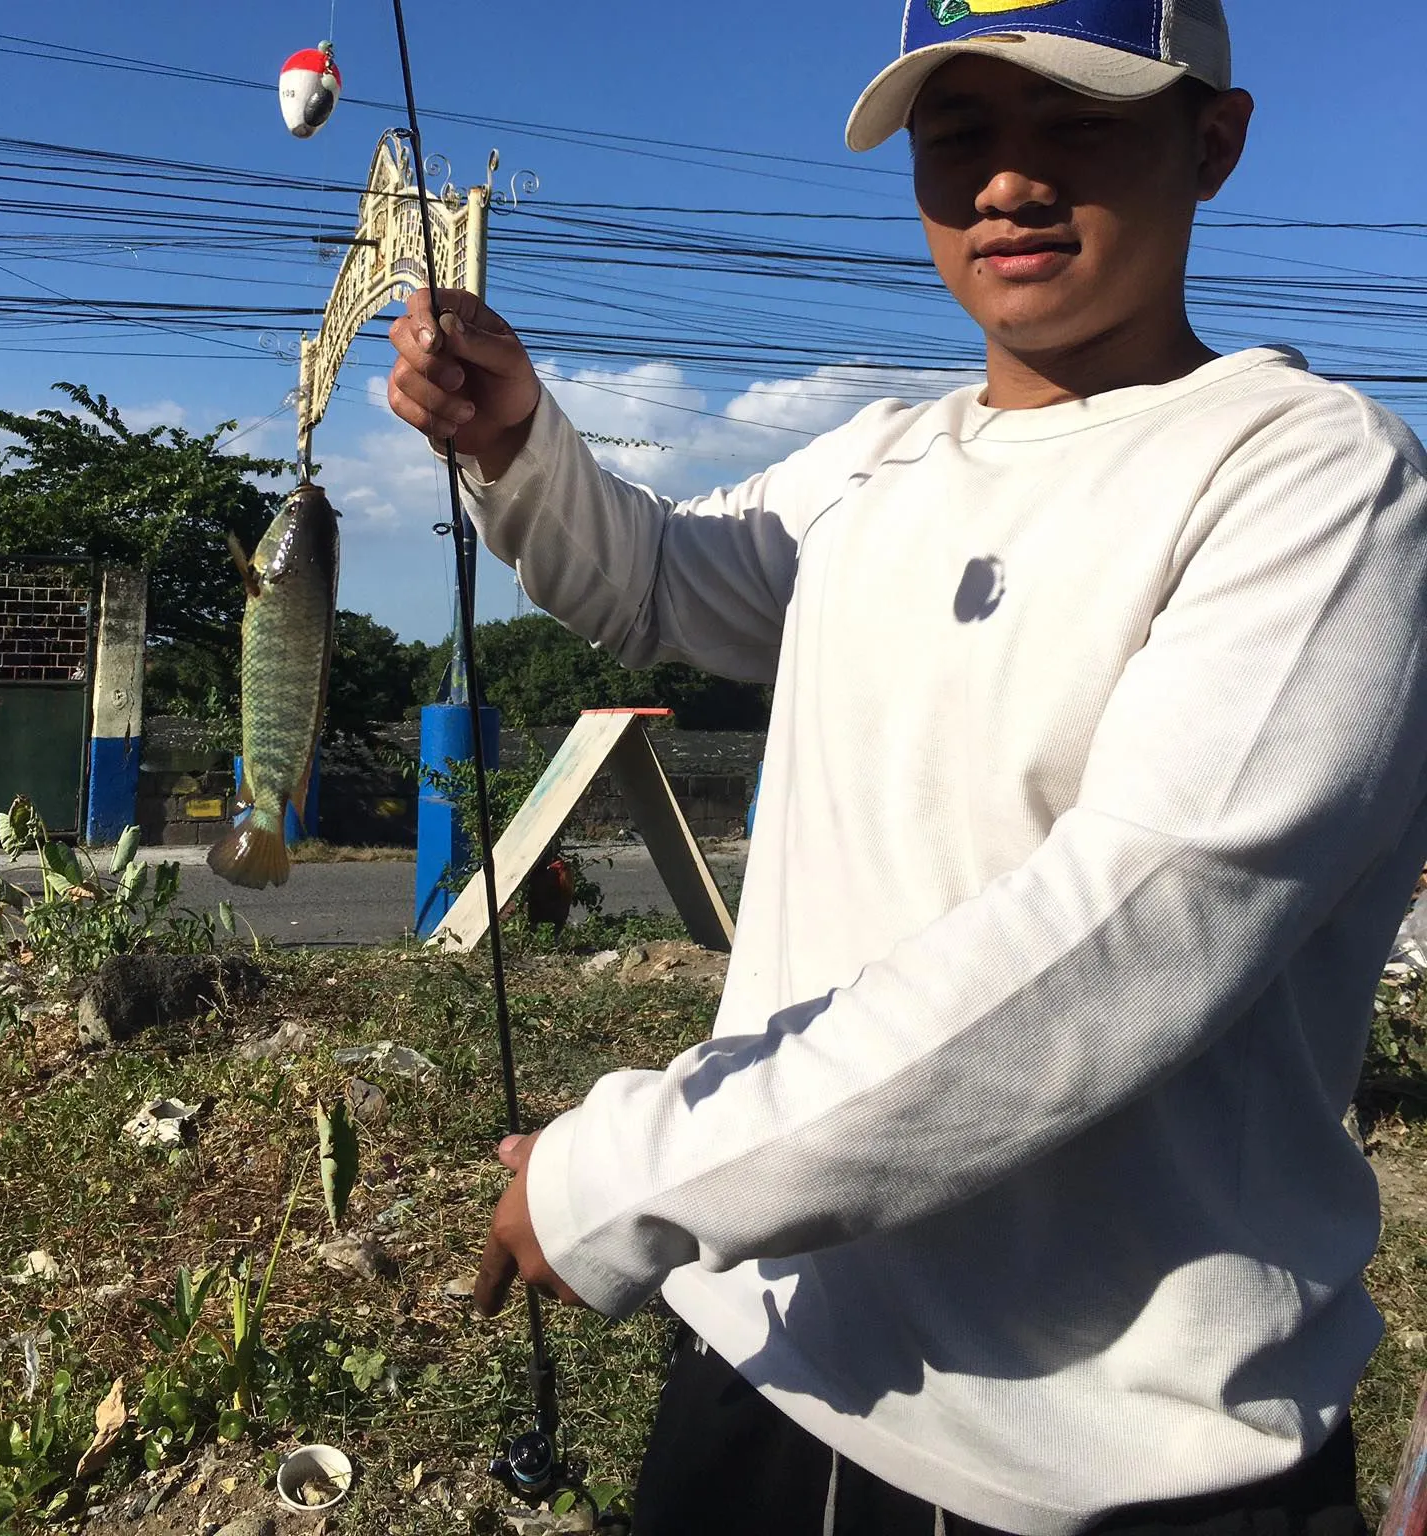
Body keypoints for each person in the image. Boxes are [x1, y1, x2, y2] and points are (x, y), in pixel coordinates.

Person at [387, 1, 1427, 1531]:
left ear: (1213, 142)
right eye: (959, 137)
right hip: (772, 1342)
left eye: (1075, 124)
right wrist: (518, 442)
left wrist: (640, 1175)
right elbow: (659, 579)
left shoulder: (1309, 477)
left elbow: (1121, 944)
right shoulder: (874, 462)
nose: (1007, 183)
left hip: (1102, 1450)